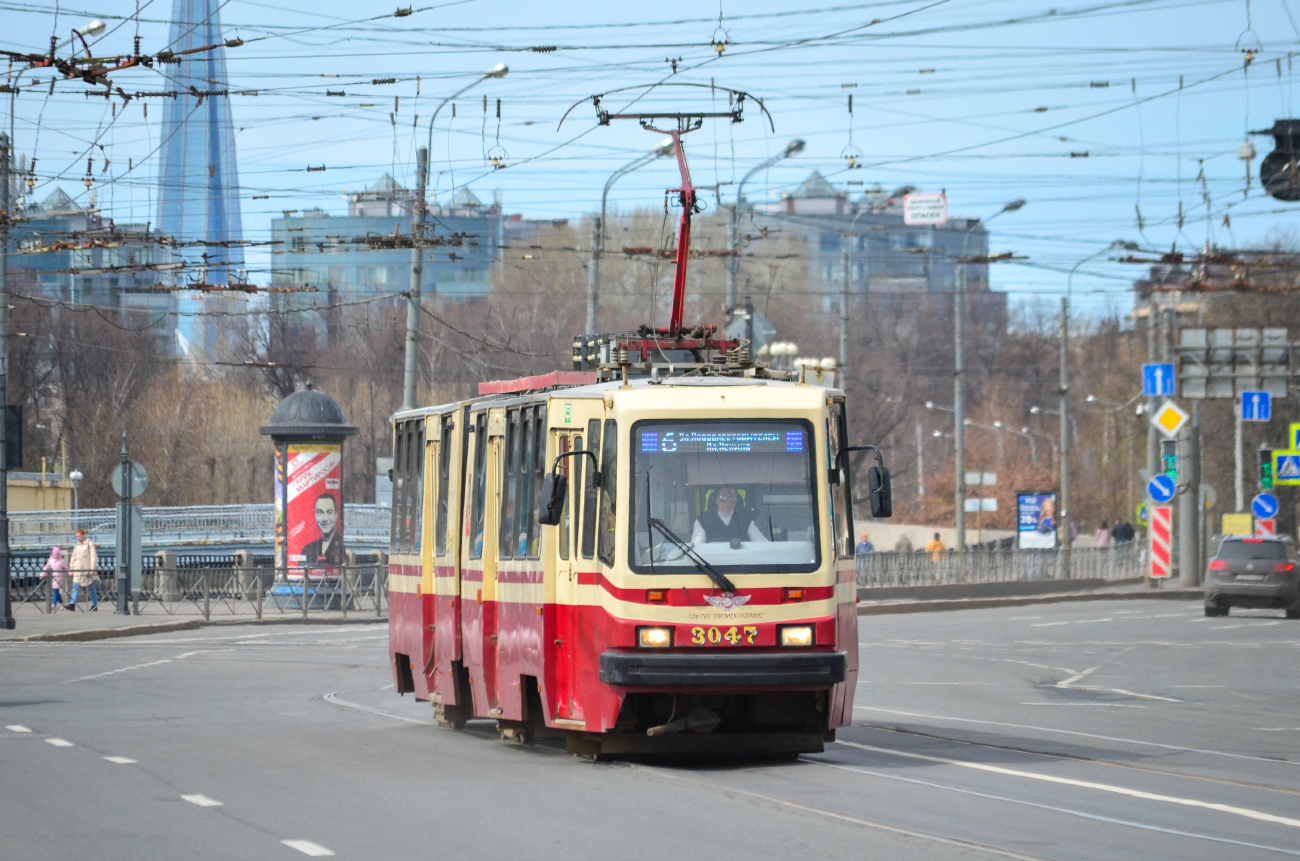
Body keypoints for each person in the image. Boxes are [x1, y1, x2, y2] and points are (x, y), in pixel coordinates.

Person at [691, 486, 768, 544]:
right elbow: (697, 547)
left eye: (732, 498)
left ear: (736, 502)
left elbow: (762, 543)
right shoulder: (703, 520)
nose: (728, 501)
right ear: (716, 500)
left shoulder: (746, 520)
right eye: (723, 498)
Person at [300, 492, 345, 567]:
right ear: (315, 516)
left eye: (329, 512)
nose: (325, 519)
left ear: (336, 515)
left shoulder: (341, 546)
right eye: (320, 513)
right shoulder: (307, 549)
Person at [68, 529, 99, 611]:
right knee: (75, 586)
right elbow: (73, 557)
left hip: (86, 569)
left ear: (83, 535)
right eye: (76, 536)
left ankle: (94, 604)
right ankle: (72, 604)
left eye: (79, 536)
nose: (78, 538)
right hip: (77, 569)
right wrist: (71, 568)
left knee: (91, 587)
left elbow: (93, 557)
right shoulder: (77, 545)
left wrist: (92, 568)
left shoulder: (89, 544)